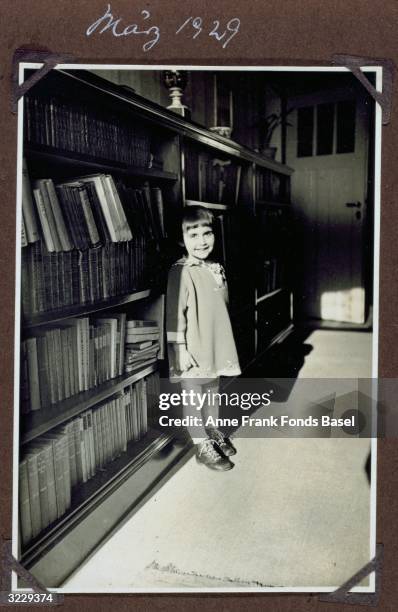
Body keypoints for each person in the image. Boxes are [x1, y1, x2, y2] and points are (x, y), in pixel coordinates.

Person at [166, 205, 241, 471]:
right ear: (181, 240)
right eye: (193, 235)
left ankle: (212, 432)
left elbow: (221, 306)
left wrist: (220, 282)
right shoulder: (181, 270)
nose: (202, 241)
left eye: (207, 234)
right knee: (193, 397)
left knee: (212, 393)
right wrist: (181, 349)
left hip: (213, 344)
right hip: (192, 347)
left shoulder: (213, 267)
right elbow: (175, 312)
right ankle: (201, 446)